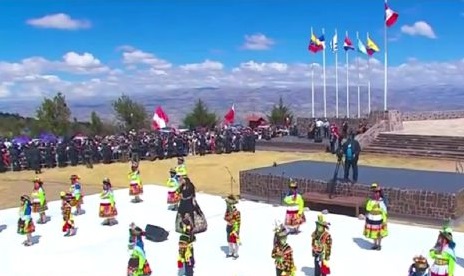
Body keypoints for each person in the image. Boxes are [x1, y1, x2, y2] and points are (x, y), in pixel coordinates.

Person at [363, 183, 388, 250]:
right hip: (372, 218)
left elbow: (384, 211)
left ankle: (379, 245)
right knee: (374, 232)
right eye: (374, 192)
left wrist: (384, 220)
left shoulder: (382, 201)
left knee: (379, 232)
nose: (375, 193)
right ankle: (375, 244)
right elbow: (368, 208)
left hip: (379, 218)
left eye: (377, 192)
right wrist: (373, 205)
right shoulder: (370, 200)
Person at [224, 194, 241, 259]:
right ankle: (230, 252)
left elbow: (238, 221)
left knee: (236, 241)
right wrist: (228, 220)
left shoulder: (237, 212)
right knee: (229, 240)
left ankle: (236, 253)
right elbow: (225, 217)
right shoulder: (227, 210)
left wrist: (236, 229)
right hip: (229, 226)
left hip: (235, 227)